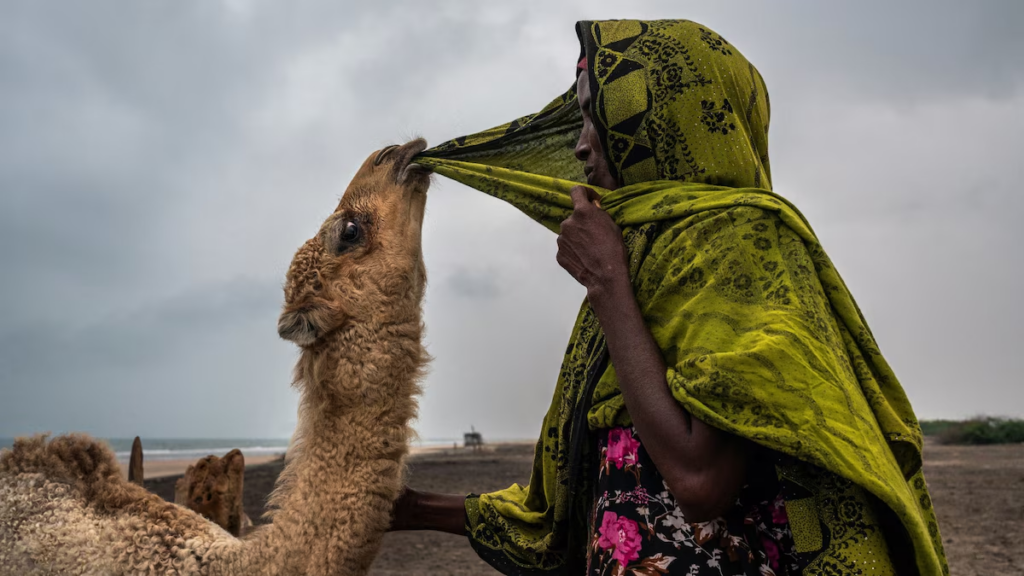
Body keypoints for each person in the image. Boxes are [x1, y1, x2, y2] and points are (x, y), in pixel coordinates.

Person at [393, 20, 948, 576]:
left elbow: (699, 482)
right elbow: (581, 503)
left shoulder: (739, 245)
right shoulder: (653, 266)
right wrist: (414, 508)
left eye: (596, 117)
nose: (581, 144)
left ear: (661, 120)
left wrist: (606, 283)